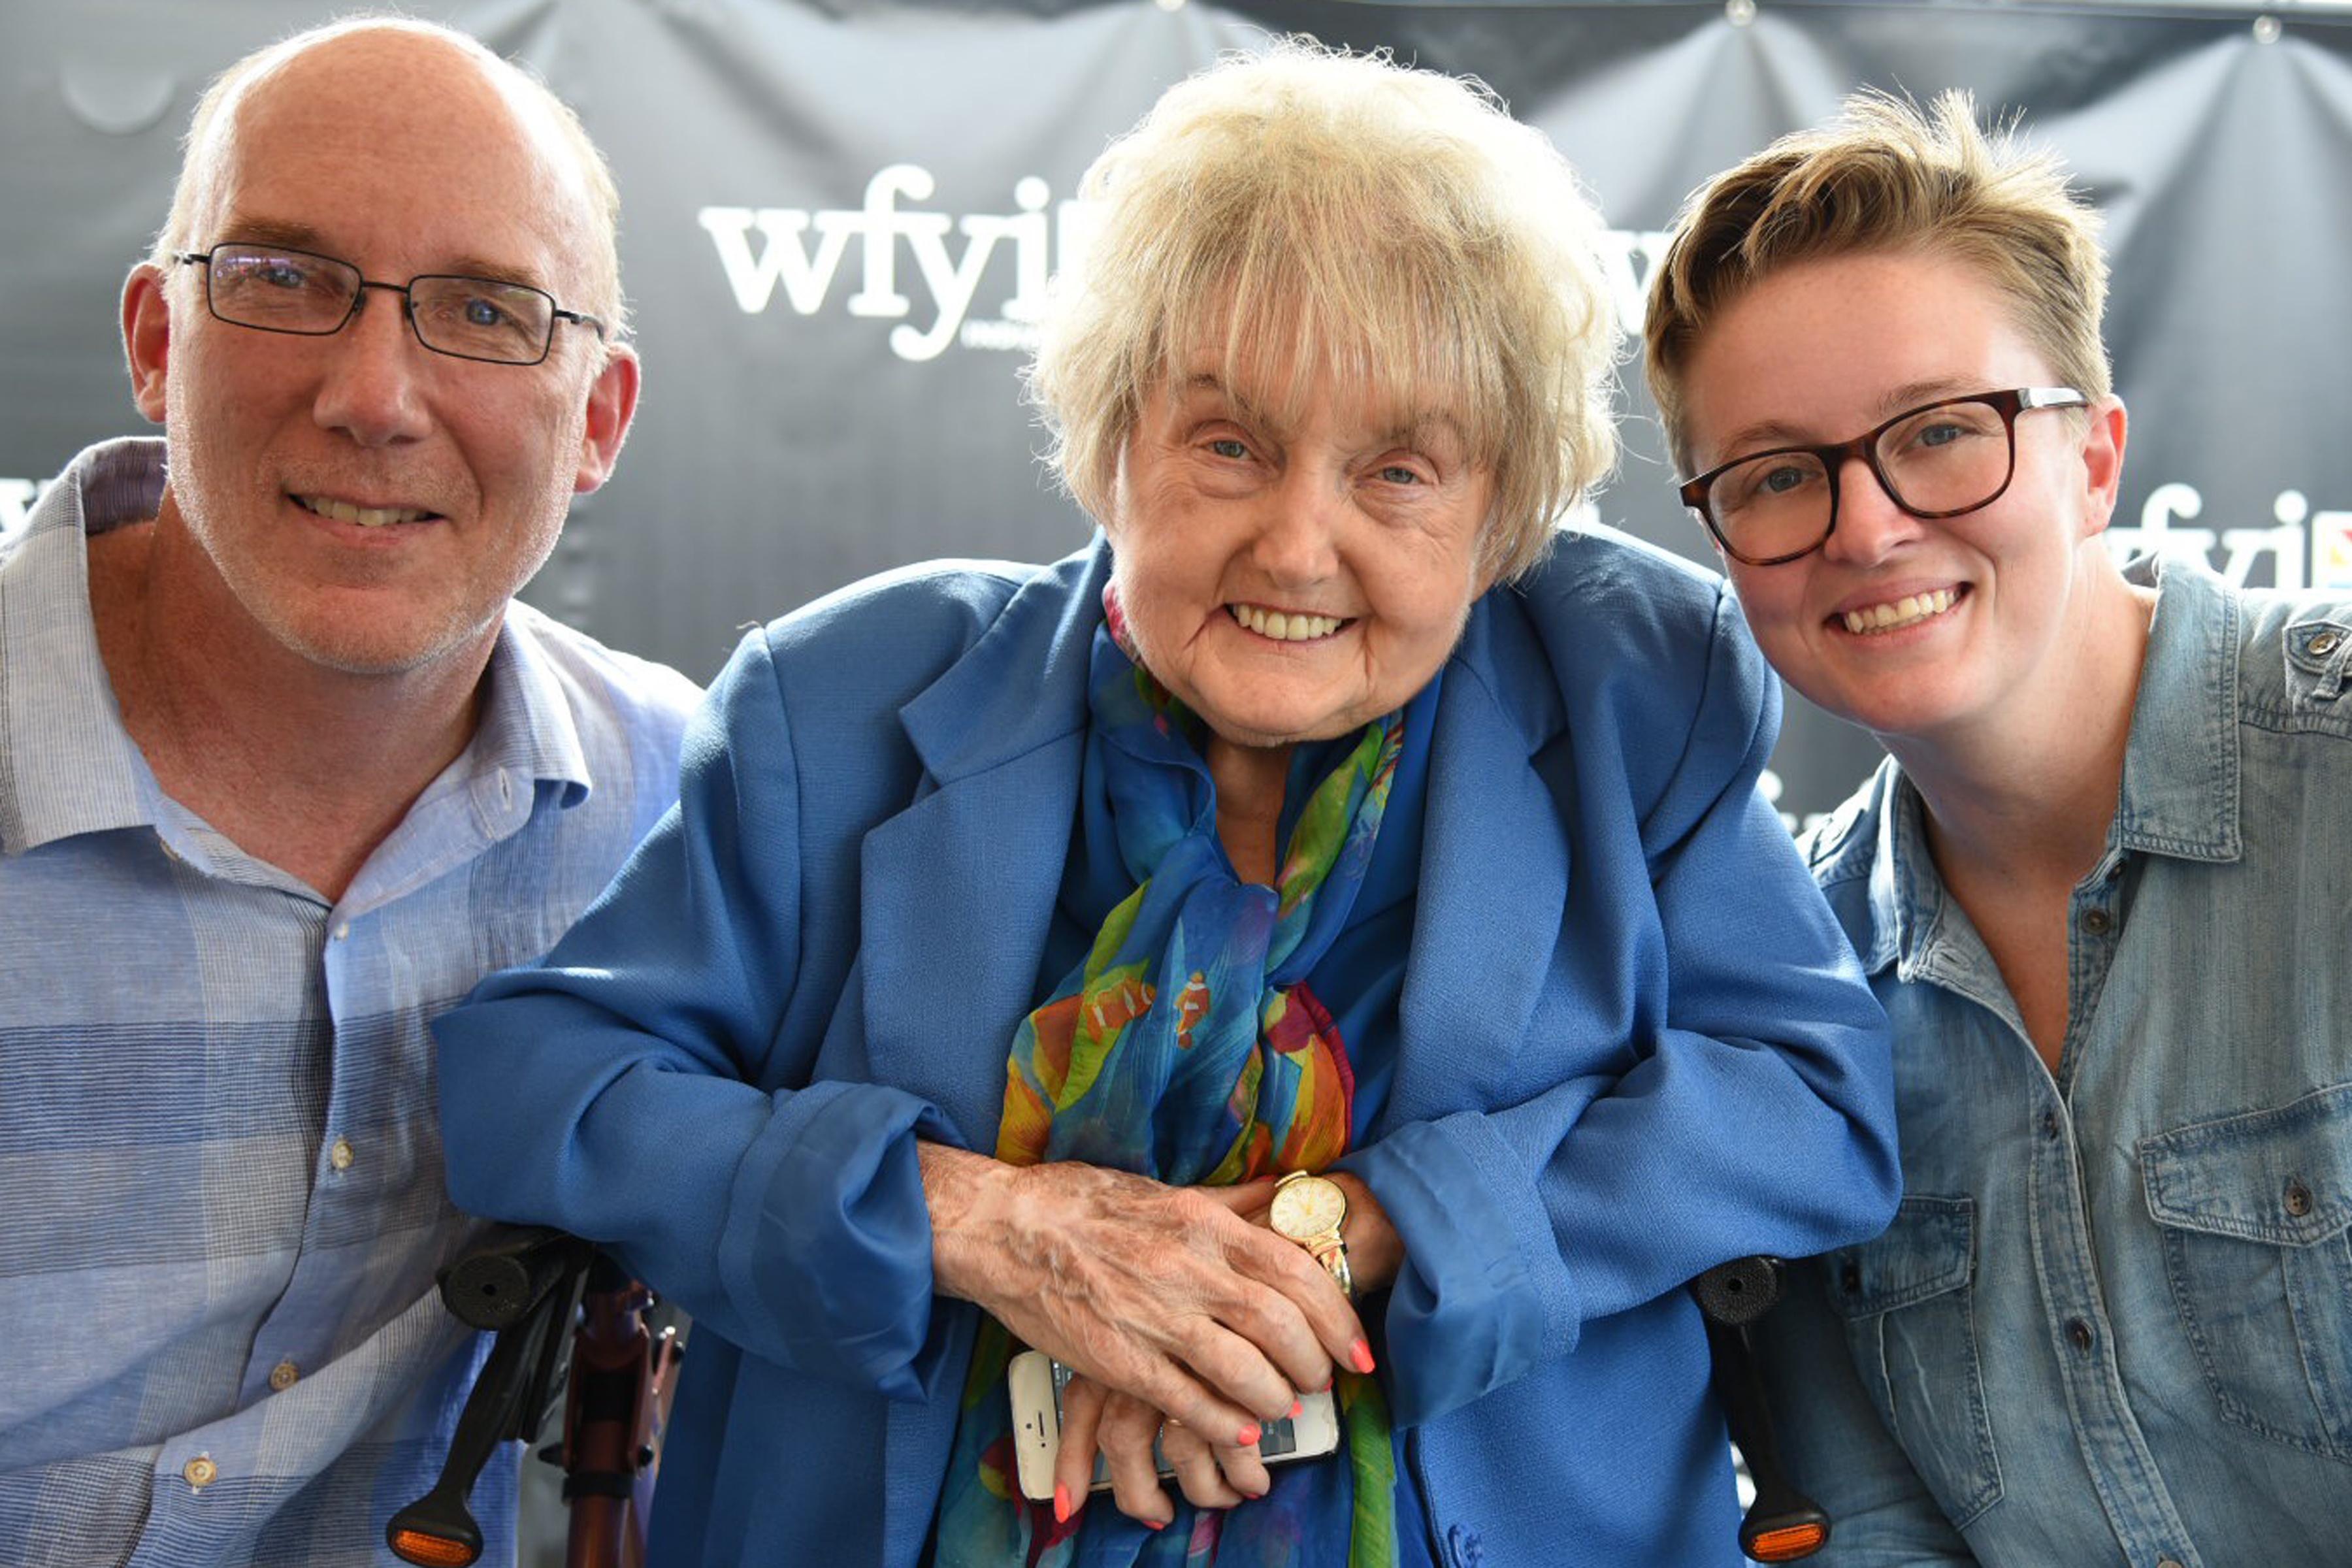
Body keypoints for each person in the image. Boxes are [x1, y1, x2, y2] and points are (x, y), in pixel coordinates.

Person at [436, 42, 1899, 1568]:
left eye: (1400, 470)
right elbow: (538, 1082)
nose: (1296, 547)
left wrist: (1360, 1231)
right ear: (1112, 436)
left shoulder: (1625, 689)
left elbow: (1810, 1100)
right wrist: (990, 1226)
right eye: (1230, 445)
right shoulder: (840, 702)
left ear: (1501, 512)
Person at [0, 18, 699, 1565]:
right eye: (282, 279)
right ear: (158, 338)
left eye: (485, 310)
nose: (376, 394)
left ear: (597, 421)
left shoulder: (680, 808)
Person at [1646, 91, 2352, 1567]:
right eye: (1777, 474)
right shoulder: (1789, 983)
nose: (1865, 525)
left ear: (2095, 457)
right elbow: (1873, 1527)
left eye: (1941, 433)